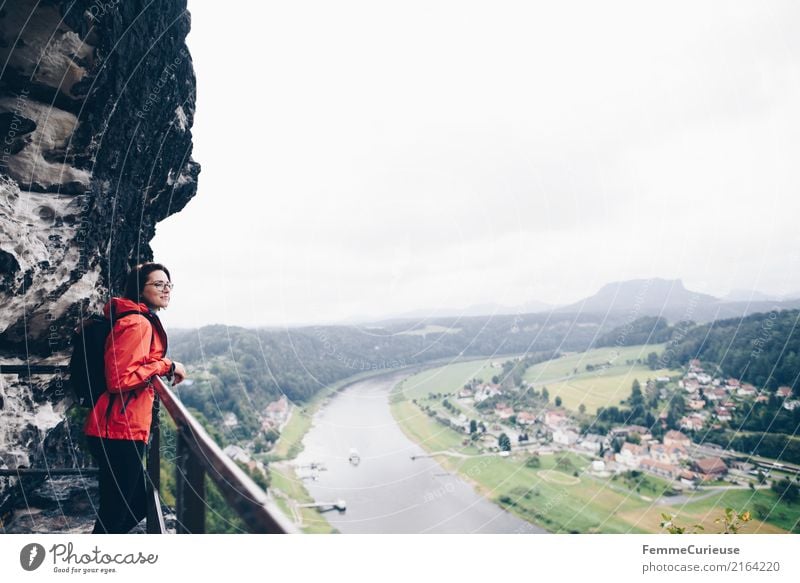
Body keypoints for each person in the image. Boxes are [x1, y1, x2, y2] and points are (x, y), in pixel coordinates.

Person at [83, 262, 186, 534]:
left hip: (119, 426)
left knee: (131, 505)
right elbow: (119, 379)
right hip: (117, 430)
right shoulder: (137, 323)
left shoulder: (138, 318)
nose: (166, 290)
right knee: (119, 511)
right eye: (158, 284)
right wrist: (167, 365)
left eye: (168, 284)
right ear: (140, 290)